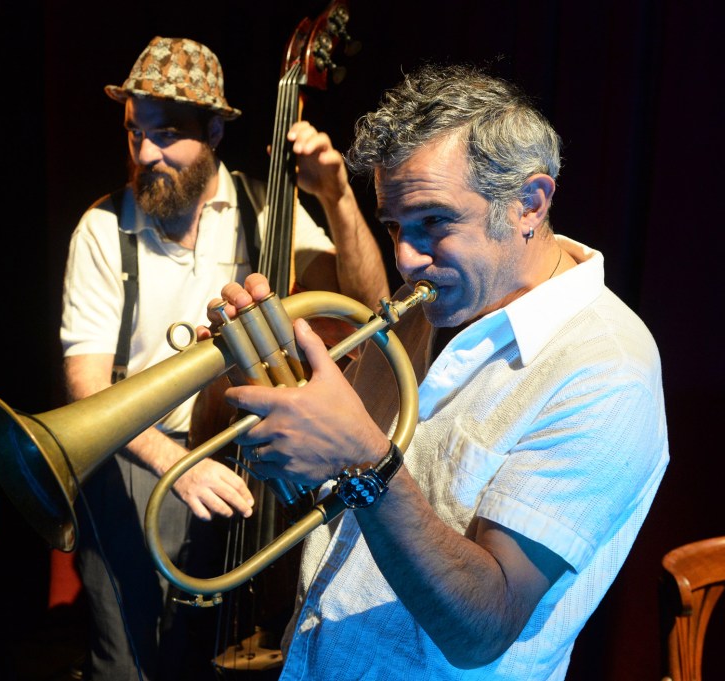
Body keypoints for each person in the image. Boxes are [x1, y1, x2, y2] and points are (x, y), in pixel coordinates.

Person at [206, 63, 669, 680]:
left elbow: (483, 626)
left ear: (529, 203)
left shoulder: (608, 369)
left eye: (435, 222)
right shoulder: (423, 307)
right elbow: (340, 503)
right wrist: (280, 393)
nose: (405, 258)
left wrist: (366, 461)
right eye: (395, 225)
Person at [58, 36, 389, 681]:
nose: (145, 153)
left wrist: (337, 197)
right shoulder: (102, 228)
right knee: (131, 662)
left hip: (250, 455)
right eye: (135, 133)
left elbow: (367, 304)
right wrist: (178, 467)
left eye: (166, 135)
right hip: (143, 453)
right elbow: (88, 386)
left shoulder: (264, 209)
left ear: (213, 131)